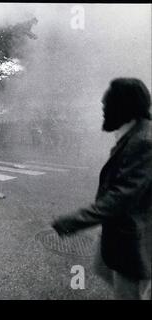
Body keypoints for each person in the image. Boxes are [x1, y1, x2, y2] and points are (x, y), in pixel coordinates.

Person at [52, 78, 152, 300]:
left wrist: (76, 220)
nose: (104, 110)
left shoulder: (143, 142)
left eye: (107, 106)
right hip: (123, 231)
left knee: (127, 289)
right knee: (102, 264)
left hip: (135, 237)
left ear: (124, 108)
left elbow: (121, 196)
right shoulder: (134, 133)